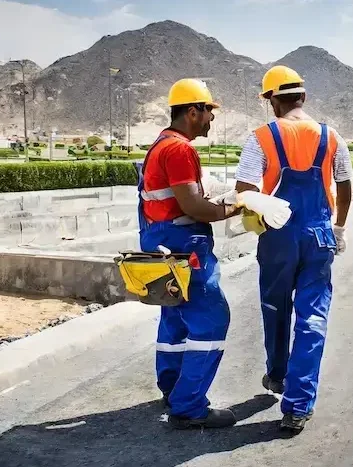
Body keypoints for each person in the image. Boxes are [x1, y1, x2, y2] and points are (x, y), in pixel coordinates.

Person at [234, 65, 352, 433]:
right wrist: (340, 228)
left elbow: (244, 189)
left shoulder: (261, 138)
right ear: (303, 97)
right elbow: (345, 185)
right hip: (319, 237)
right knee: (313, 317)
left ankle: (278, 376)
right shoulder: (331, 137)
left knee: (275, 308)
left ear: (272, 101)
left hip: (277, 237)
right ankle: (298, 405)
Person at [138, 78, 241, 429]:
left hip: (162, 242)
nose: (211, 119)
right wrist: (235, 207)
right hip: (184, 246)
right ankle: (189, 405)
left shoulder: (160, 145)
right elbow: (195, 207)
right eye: (209, 112)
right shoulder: (180, 150)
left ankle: (172, 387)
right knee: (212, 319)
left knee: (175, 318)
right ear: (193, 111)